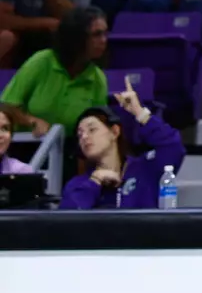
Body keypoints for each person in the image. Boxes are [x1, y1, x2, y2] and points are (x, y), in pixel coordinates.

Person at [60, 76, 186, 209]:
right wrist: (95, 182)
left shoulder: (145, 169)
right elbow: (68, 221)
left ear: (114, 131)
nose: (84, 137)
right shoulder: (78, 185)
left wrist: (140, 113)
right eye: (80, 134)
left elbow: (173, 146)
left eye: (92, 129)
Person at [0, 5, 108, 135]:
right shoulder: (42, 61)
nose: (104, 40)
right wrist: (31, 121)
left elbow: (97, 126)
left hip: (70, 149)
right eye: (96, 34)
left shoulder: (98, 79)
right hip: (27, 145)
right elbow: (6, 106)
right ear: (76, 36)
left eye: (105, 33)